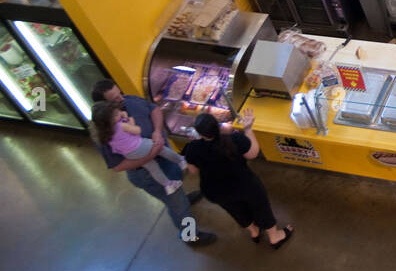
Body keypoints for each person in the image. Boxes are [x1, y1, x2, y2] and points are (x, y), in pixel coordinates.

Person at [90, 80, 216, 247]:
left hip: (163, 156)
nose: (121, 98)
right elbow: (117, 166)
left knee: (176, 187)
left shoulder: (129, 101)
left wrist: (157, 132)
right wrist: (150, 155)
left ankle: (183, 198)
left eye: (119, 93)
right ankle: (190, 236)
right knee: (177, 205)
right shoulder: (104, 134)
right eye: (115, 99)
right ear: (104, 105)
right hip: (147, 173)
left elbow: (154, 110)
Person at [182, 111, 293, 249]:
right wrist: (248, 129)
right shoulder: (233, 139)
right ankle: (274, 237)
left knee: (236, 210)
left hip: (215, 190)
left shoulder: (192, 148)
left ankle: (254, 231)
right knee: (260, 206)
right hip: (243, 184)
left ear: (200, 133)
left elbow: (193, 171)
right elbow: (253, 153)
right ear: (217, 126)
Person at [91, 100, 186, 194]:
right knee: (160, 148)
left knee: (153, 167)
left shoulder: (105, 133)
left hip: (130, 155)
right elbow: (137, 130)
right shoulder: (121, 126)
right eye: (116, 114)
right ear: (110, 120)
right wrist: (129, 119)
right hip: (139, 146)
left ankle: (168, 185)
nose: (119, 112)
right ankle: (180, 160)